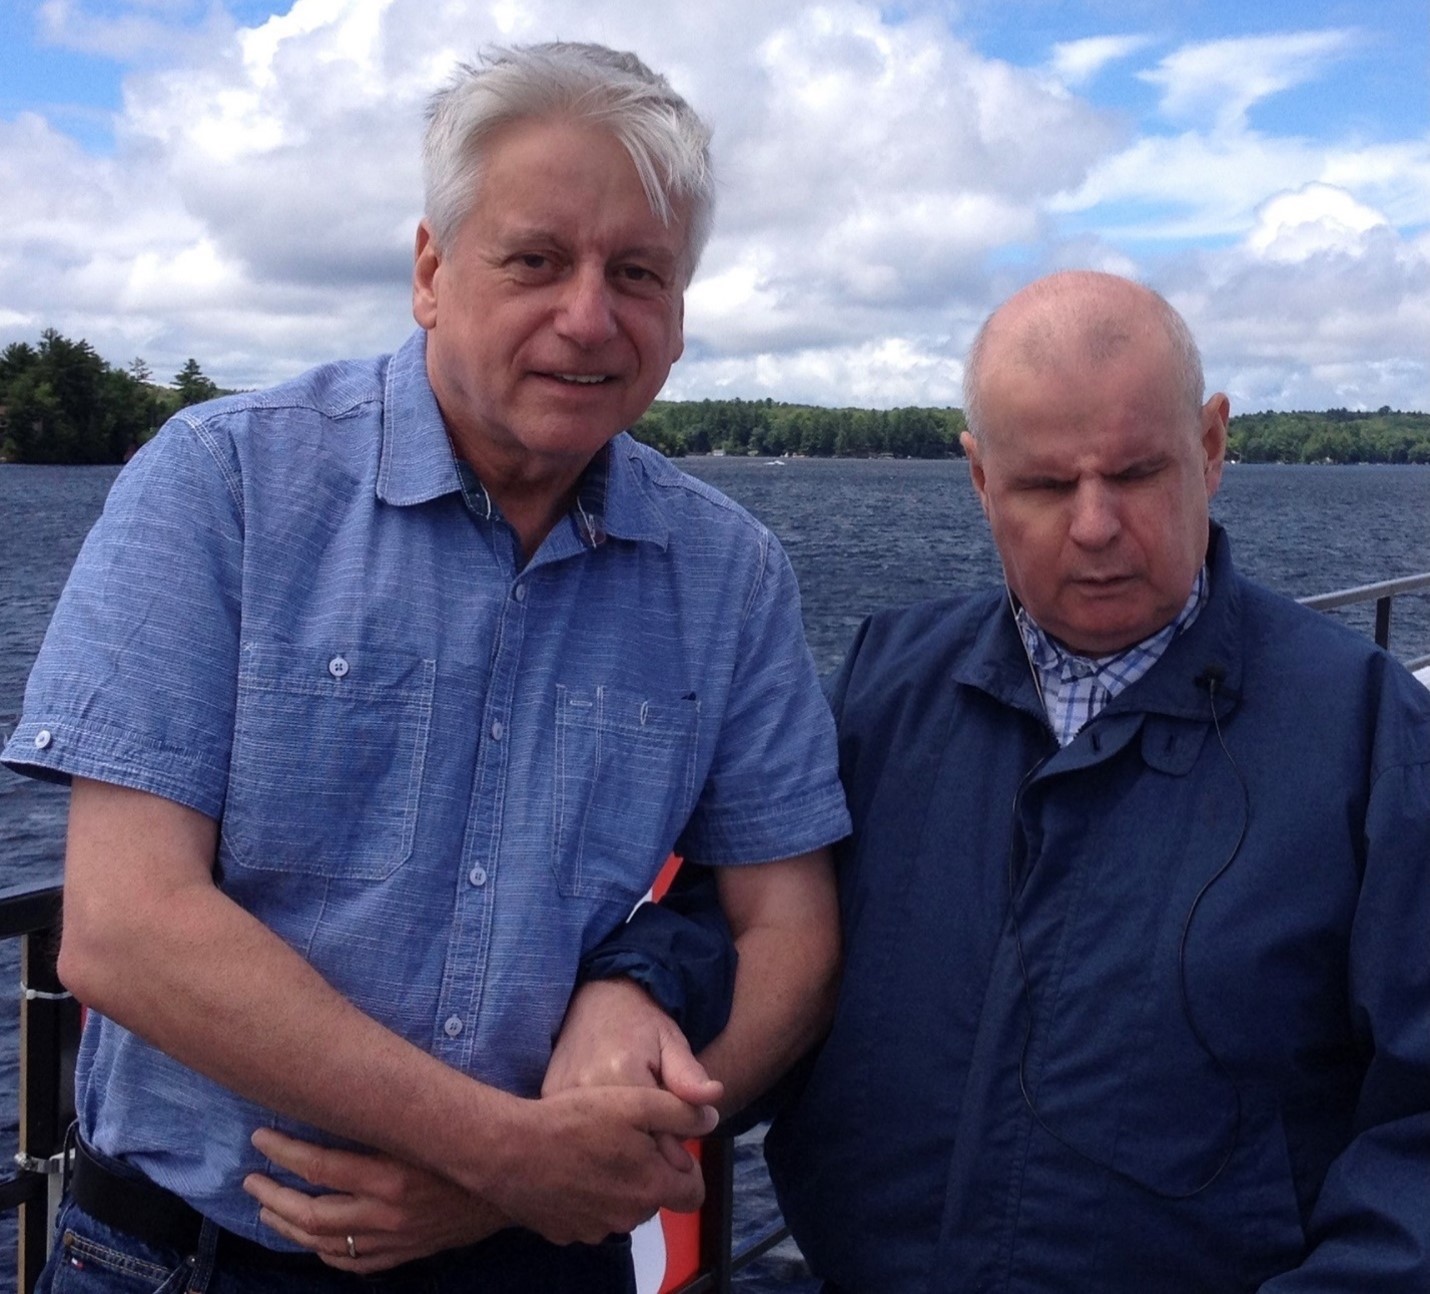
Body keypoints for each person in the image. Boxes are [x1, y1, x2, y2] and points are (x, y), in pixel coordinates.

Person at [1, 42, 848, 1294]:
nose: (587, 314)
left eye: (637, 273)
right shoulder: (223, 482)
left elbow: (789, 927)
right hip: (193, 1261)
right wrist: (501, 1153)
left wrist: (565, 1155)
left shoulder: (727, 575)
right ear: (429, 271)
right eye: (534, 259)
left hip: (531, 1262)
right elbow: (122, 930)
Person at [566, 270, 1430, 1291]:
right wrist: (635, 983)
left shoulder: (1366, 736)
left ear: (1208, 448)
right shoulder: (885, 692)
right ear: (978, 479)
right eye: (1046, 486)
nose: (1096, 524)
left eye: (1137, 472)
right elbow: (750, 908)